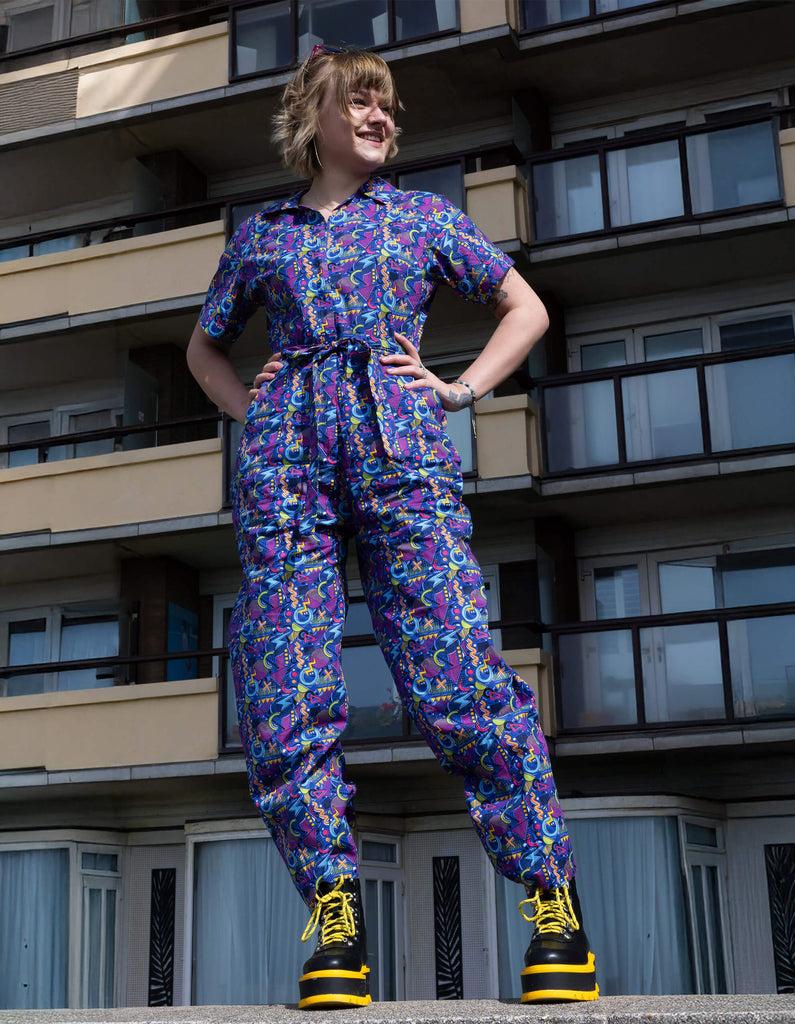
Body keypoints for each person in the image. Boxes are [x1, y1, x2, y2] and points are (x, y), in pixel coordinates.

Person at [187, 46, 598, 1010]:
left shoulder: (421, 217)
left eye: (387, 105)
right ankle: (333, 911)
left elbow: (522, 306)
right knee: (286, 689)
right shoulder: (262, 237)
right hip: (286, 467)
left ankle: (550, 900)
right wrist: (257, 414)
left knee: (456, 669)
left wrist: (456, 388)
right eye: (360, 101)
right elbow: (205, 347)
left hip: (402, 455)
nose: (380, 116)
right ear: (313, 118)